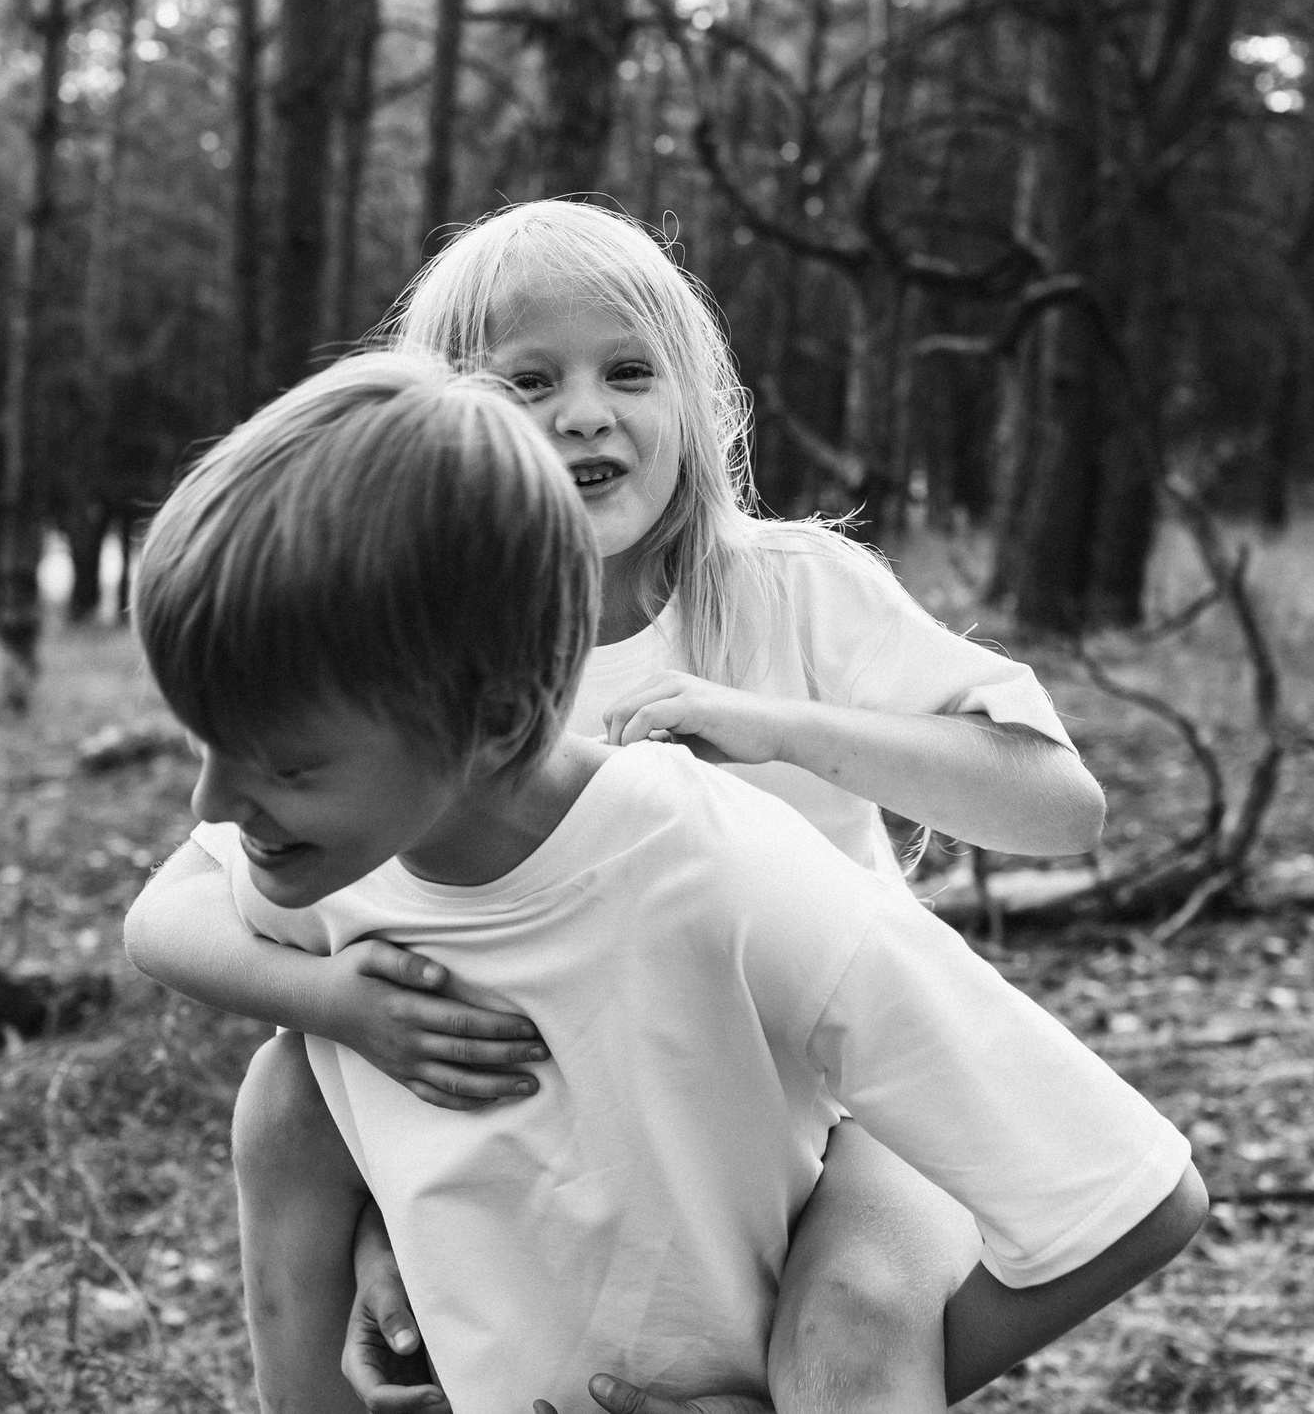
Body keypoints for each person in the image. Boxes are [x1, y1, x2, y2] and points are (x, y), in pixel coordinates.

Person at [139, 202, 1112, 1414]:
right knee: (286, 1090)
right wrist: (337, 1006)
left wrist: (777, 725)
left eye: (630, 371)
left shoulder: (782, 589)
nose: (585, 411)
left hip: (821, 1095)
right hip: (539, 1087)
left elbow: (1056, 807)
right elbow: (170, 914)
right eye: (528, 380)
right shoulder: (413, 661)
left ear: (697, 401)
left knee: (854, 1316)